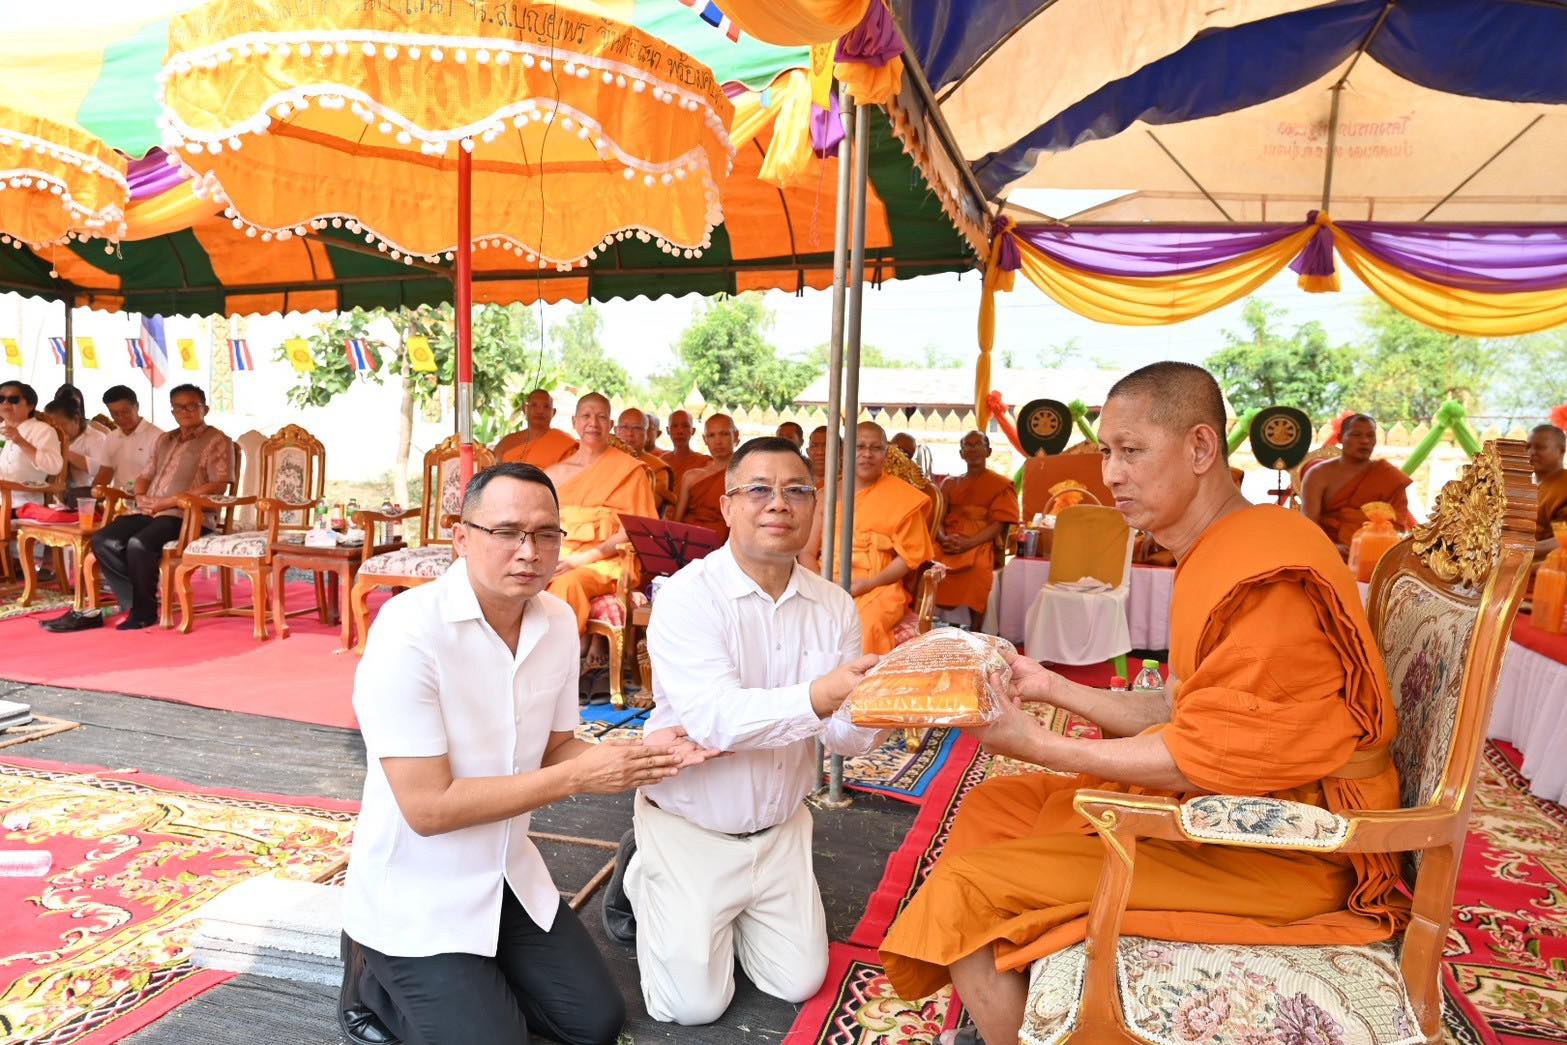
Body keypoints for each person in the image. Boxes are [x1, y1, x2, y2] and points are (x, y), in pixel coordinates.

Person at [879, 363, 1406, 1045]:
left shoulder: (1265, 574)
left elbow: (1198, 758)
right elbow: (1186, 706)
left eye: (1131, 451)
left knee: (964, 891)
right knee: (994, 806)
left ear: (1198, 448)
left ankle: (1011, 1014)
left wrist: (1034, 741)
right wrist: (1049, 685)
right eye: (1106, 451)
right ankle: (1018, 995)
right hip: (1233, 805)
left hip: (1278, 846)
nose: (1111, 474)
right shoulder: (1223, 543)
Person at [338, 462, 700, 1045]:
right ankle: (369, 977)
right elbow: (428, 809)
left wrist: (641, 759)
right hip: (415, 888)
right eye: (506, 532)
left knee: (595, 1023)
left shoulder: (555, 620)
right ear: (461, 538)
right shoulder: (409, 630)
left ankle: (473, 978)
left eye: (545, 534)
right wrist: (582, 778)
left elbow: (557, 746)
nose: (528, 551)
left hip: (506, 870)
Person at [625, 437, 882, 1025]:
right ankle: (645, 878)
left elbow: (842, 736)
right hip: (692, 831)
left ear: (815, 507)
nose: (779, 505)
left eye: (797, 491)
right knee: (692, 1007)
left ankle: (730, 913)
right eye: (759, 490)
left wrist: (892, 706)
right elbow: (715, 718)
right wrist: (821, 695)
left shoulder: (835, 604)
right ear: (727, 506)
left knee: (798, 981)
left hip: (781, 832)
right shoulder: (689, 597)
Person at [47, 385, 233, 633]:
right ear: (173, 411)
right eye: (179, 407)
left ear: (205, 409)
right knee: (103, 539)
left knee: (139, 544)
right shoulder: (165, 439)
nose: (185, 411)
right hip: (150, 510)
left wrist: (171, 501)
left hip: (188, 515)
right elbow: (145, 475)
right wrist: (142, 495)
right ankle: (137, 603)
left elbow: (219, 484)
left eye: (192, 406)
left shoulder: (218, 439)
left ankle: (143, 613)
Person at [804, 422, 936, 654]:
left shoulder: (901, 497)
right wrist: (822, 587)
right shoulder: (827, 494)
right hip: (824, 582)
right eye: (860, 446)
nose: (867, 453)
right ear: (845, 451)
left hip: (878, 587)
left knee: (862, 627)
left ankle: (857, 688)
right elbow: (806, 552)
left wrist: (870, 584)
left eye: (875, 448)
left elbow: (908, 557)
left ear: (885, 454)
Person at [544, 394, 658, 644]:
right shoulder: (553, 474)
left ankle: (557, 664)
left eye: (601, 417)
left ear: (611, 425)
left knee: (568, 584)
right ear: (574, 422)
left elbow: (635, 530)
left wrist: (579, 561)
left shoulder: (629, 470)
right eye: (585, 416)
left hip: (608, 562)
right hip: (558, 557)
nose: (593, 423)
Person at [934, 430, 1020, 628]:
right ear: (961, 453)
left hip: (979, 541)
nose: (972, 449)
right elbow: (937, 516)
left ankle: (976, 630)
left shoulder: (1000, 485)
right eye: (967, 445)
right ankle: (935, 626)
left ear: (988, 451)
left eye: (977, 444)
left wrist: (968, 543)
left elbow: (998, 524)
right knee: (927, 563)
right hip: (949, 541)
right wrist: (942, 537)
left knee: (979, 568)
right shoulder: (949, 484)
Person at [1301, 414, 1415, 552]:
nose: (1365, 441)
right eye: (1356, 435)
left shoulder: (1388, 476)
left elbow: (1398, 521)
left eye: (1370, 435)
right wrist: (1333, 548)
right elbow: (1308, 525)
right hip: (1327, 551)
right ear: (1341, 438)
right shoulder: (1318, 475)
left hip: (1377, 553)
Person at [672, 414, 738, 541]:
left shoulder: (746, 475)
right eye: (711, 435)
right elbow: (676, 522)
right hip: (688, 540)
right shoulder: (691, 477)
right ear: (705, 439)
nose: (718, 441)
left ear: (735, 436)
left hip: (726, 545)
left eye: (724, 434)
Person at [0, 381, 65, 506]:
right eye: (1, 399)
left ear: (30, 405)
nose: (5, 403)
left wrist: (21, 442)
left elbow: (54, 467)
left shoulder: (43, 430)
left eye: (13, 399)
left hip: (23, 504)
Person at [99, 385, 164, 489]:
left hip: (147, 500)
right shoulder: (111, 438)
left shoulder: (158, 437)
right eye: (115, 414)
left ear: (137, 406)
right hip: (118, 501)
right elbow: (104, 474)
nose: (121, 418)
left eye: (125, 412)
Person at [43, 397, 108, 500]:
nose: (55, 430)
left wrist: (65, 453)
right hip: (55, 496)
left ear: (76, 420)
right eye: (50, 427)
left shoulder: (96, 438)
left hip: (88, 497)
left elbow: (102, 470)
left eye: (59, 426)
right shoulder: (50, 438)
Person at [495, 389, 578, 468]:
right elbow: (491, 471)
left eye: (546, 406)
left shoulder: (564, 443)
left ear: (553, 412)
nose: (540, 411)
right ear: (525, 409)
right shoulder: (507, 442)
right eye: (534, 405)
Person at [616, 407, 675, 514]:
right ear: (616, 431)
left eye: (637, 428)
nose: (630, 433)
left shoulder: (657, 468)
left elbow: (648, 507)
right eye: (624, 427)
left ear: (647, 435)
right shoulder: (603, 459)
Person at [1528, 423, 1567, 560]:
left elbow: (1564, 539)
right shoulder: (1524, 484)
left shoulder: (1564, 485)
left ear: (1561, 451)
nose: (1532, 452)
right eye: (1528, 447)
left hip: (1546, 571)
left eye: (1540, 447)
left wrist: (1521, 551)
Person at [661, 409, 711, 490]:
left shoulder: (704, 462)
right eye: (674, 426)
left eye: (685, 426)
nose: (680, 431)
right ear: (668, 430)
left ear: (693, 431)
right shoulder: (662, 462)